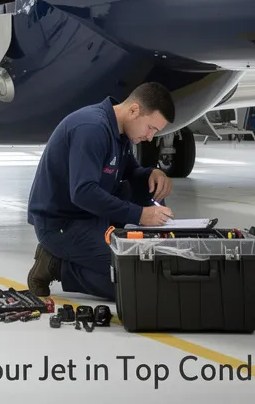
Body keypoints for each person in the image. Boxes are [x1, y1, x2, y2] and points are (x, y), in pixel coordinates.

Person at [25, 83, 177, 299]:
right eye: (150, 128)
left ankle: (150, 242)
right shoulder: (92, 129)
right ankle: (55, 264)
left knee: (147, 186)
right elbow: (83, 192)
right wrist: (140, 215)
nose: (150, 137)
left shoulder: (121, 130)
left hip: (91, 215)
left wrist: (153, 173)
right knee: (134, 282)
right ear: (134, 110)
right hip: (62, 225)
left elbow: (130, 171)